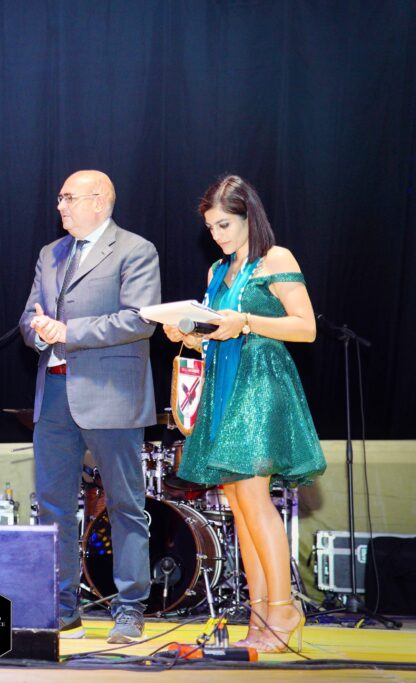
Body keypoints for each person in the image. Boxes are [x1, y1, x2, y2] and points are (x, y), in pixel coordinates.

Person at [163, 175, 324, 653]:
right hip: (224, 387)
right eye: (212, 227)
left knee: (255, 502)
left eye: (225, 224)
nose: (219, 235)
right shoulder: (217, 272)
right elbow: (217, 331)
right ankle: (259, 616)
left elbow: (306, 328)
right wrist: (190, 336)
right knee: (239, 506)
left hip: (261, 385)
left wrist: (247, 321)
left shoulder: (276, 259)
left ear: (249, 215)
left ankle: (284, 610)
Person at [21, 170, 160, 643]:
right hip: (55, 394)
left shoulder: (135, 249)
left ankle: (130, 608)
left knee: (125, 505)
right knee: (53, 507)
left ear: (99, 202)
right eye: (59, 197)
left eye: (68, 198)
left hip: (111, 396)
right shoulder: (49, 253)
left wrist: (69, 332)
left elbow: (138, 320)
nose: (60, 206)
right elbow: (29, 316)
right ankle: (62, 608)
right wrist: (36, 331)